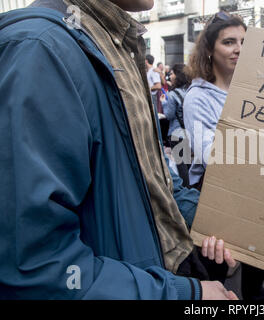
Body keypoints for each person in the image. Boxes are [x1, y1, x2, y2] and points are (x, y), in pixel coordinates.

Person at [0, 0, 238, 300]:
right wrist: (184, 295)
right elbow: (35, 266)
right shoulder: (39, 49)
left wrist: (217, 222)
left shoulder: (113, 44)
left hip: (160, 266)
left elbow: (154, 176)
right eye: (229, 41)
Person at [183, 11, 264, 301]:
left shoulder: (258, 92)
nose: (239, 49)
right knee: (216, 272)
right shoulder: (198, 98)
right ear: (209, 49)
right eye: (229, 42)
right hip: (216, 198)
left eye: (244, 41)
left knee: (256, 273)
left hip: (257, 191)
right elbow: (211, 155)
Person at [161, 63, 191, 187]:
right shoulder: (190, 91)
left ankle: (186, 190)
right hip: (189, 133)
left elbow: (168, 115)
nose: (170, 76)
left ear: (177, 75)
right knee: (188, 164)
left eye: (172, 73)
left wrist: (163, 102)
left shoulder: (172, 95)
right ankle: (191, 187)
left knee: (181, 166)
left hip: (176, 133)